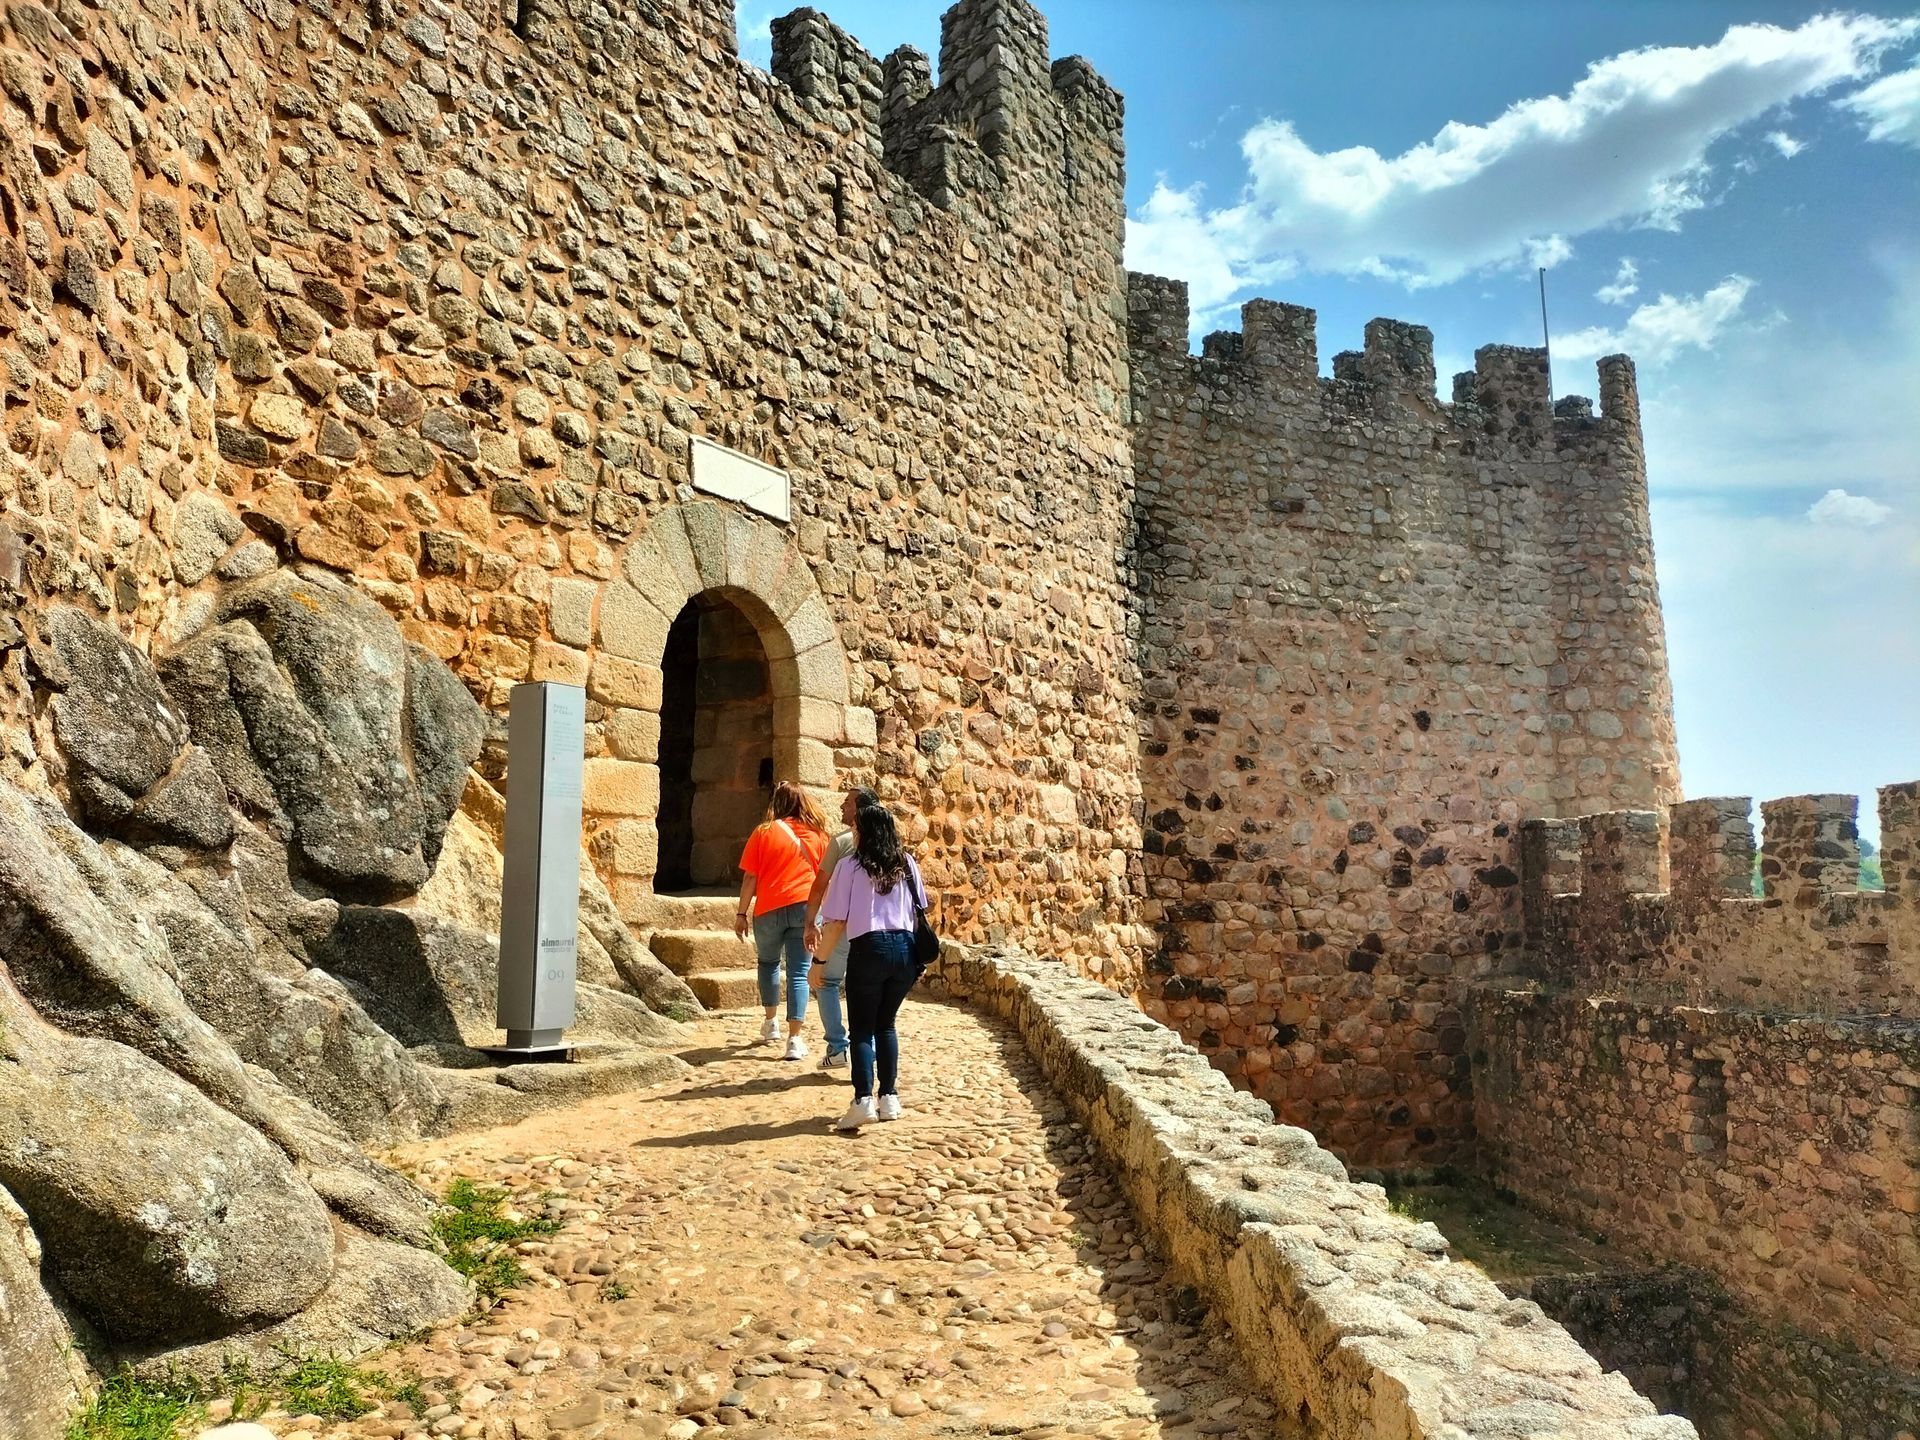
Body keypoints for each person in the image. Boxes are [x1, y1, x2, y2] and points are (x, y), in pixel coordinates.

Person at [813, 802, 926, 1130]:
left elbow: (835, 922)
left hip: (870, 948)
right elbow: (920, 912)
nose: (854, 833)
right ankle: (888, 1097)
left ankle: (863, 1099)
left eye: (856, 828)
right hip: (904, 949)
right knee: (886, 1024)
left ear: (863, 832)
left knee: (862, 1028)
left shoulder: (850, 867)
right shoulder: (907, 863)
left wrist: (819, 962)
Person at [734, 782, 830, 1061]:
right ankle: (795, 1039)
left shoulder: (763, 831)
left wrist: (741, 913)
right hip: (805, 909)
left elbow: (750, 877)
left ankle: (770, 1022)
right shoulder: (819, 836)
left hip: (768, 908)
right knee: (799, 972)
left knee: (768, 963)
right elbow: (826, 880)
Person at [803, 785, 880, 1072]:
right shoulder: (889, 842)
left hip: (842, 926)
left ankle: (837, 1047)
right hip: (874, 928)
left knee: (825, 981)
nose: (841, 808)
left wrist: (810, 922)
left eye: (847, 803)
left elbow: (819, 885)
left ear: (859, 809)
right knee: (868, 990)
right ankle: (868, 1051)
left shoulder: (842, 842)